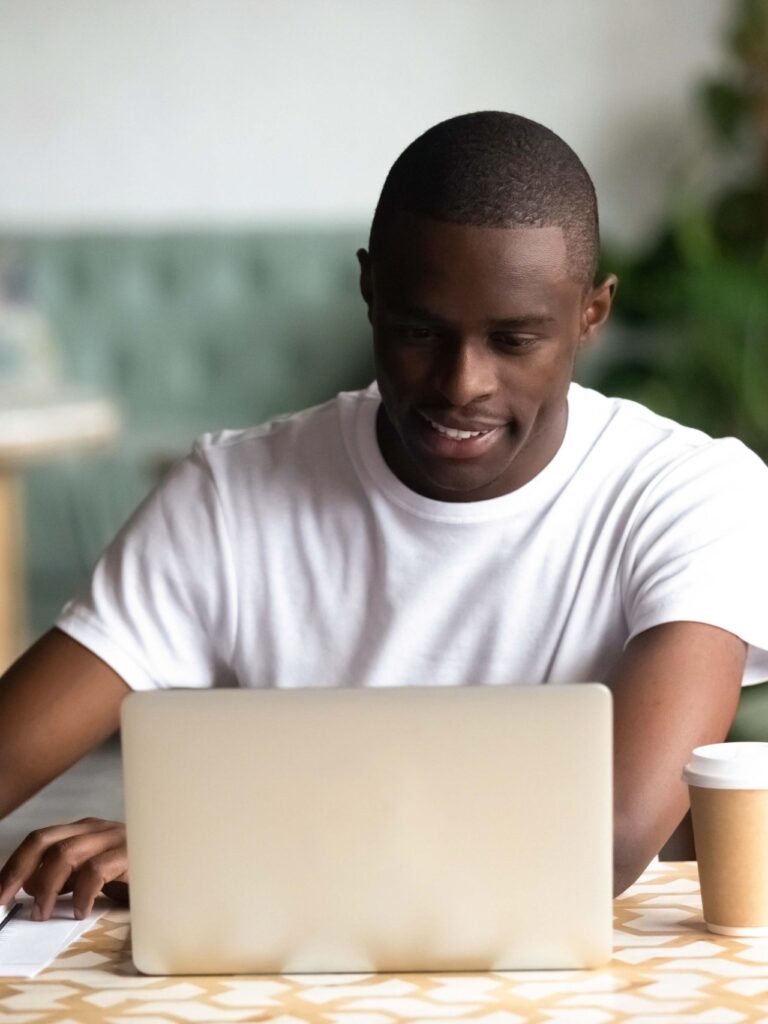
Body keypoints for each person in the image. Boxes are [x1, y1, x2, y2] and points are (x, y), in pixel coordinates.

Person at [1, 111, 767, 921]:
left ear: (591, 314)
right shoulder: (230, 499)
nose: (461, 382)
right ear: (370, 288)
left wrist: (215, 846)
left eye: (513, 341)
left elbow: (608, 832)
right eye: (418, 331)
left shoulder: (692, 494)